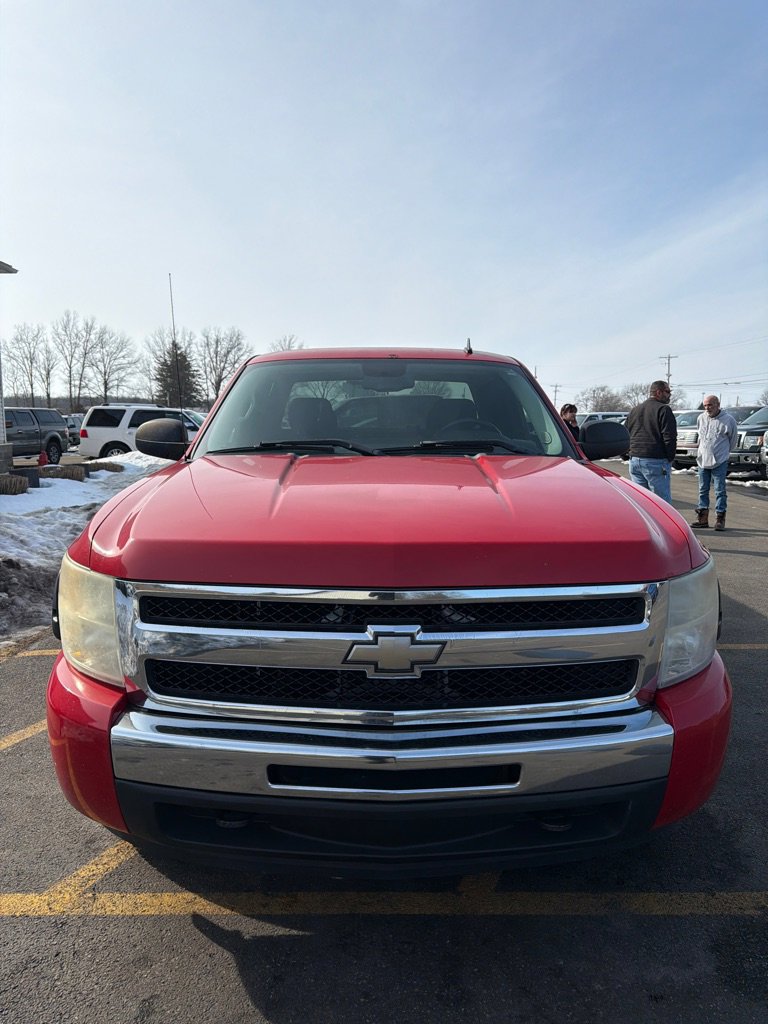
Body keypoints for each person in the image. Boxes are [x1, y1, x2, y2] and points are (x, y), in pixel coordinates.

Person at [691, 396, 738, 531]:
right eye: (705, 405)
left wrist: (722, 452)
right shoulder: (701, 418)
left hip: (719, 460)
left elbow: (733, 440)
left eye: (710, 405)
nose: (707, 408)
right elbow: (700, 436)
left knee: (720, 490)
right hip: (703, 460)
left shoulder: (728, 420)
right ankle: (702, 518)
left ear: (718, 404)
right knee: (702, 489)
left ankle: (720, 518)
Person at [626, 381, 677, 503]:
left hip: (635, 460)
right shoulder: (663, 409)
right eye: (667, 392)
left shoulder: (635, 410)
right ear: (658, 392)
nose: (669, 395)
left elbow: (626, 433)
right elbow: (669, 436)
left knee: (641, 502)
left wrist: (627, 452)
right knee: (661, 503)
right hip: (655, 461)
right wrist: (670, 457)